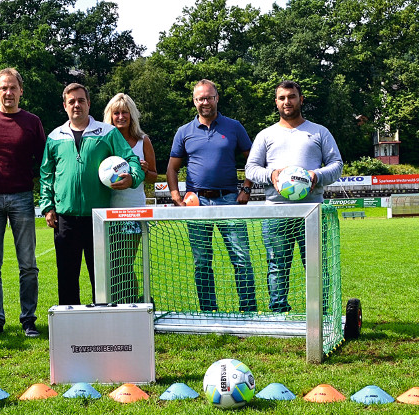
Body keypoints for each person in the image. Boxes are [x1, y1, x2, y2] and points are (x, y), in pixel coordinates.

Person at [40, 83, 145, 306]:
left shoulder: (108, 133)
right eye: (71, 101)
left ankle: (102, 318)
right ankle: (70, 320)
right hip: (65, 217)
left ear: (89, 103)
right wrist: (47, 206)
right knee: (67, 275)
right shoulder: (54, 136)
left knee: (100, 276)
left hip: (98, 218)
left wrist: (132, 178)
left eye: (80, 100)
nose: (76, 105)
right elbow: (46, 174)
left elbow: (132, 160)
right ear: (65, 106)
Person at [245, 80, 343, 312]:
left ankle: (321, 313)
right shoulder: (265, 135)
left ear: (301, 99)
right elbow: (251, 169)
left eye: (291, 96)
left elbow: (337, 165)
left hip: (312, 211)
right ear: (276, 102)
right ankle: (279, 312)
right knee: (277, 265)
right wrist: (272, 175)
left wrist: (315, 176)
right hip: (276, 211)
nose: (287, 102)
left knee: (315, 265)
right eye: (282, 98)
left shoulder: (320, 132)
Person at [166, 79, 257, 313]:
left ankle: (248, 310)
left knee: (241, 258)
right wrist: (176, 195)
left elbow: (253, 160)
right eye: (200, 98)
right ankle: (208, 312)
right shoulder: (184, 132)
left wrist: (246, 188)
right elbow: (172, 168)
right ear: (194, 101)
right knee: (202, 262)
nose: (205, 102)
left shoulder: (234, 126)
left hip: (229, 199)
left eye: (209, 97)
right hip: (196, 202)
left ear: (217, 98)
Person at [0, 68, 45, 338]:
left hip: (23, 197)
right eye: (3, 88)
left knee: (28, 263)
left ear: (21, 91)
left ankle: (28, 319)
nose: (8, 93)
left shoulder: (32, 122)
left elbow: (44, 164)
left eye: (13, 87)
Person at [102, 93, 157, 303]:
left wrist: (143, 171)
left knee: (124, 263)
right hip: (107, 212)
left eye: (125, 112)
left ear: (132, 115)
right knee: (112, 264)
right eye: (116, 113)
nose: (121, 116)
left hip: (134, 211)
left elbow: (153, 176)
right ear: (110, 116)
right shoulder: (104, 141)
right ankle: (117, 304)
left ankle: (133, 305)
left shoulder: (143, 141)